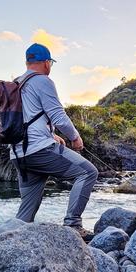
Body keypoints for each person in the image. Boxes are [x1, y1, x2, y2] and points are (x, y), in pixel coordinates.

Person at [10, 43, 98, 238]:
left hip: (18, 154)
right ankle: (73, 225)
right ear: (46, 63)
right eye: (50, 62)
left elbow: (27, 119)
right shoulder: (42, 81)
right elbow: (58, 116)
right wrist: (75, 137)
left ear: (27, 62)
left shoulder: (16, 83)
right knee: (88, 173)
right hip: (39, 149)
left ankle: (13, 238)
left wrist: (51, 135)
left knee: (26, 212)